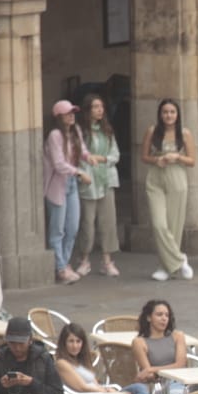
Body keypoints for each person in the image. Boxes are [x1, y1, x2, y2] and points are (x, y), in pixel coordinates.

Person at [142, 98, 196, 281]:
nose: (169, 115)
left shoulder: (185, 133)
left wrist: (177, 157)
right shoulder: (152, 131)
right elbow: (144, 156)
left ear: (177, 114)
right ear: (160, 114)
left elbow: (192, 161)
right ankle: (180, 260)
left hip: (177, 178)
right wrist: (157, 160)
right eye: (165, 112)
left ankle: (166, 267)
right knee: (159, 224)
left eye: (172, 112)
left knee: (174, 225)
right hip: (156, 178)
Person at [44, 99, 92, 285]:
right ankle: (61, 267)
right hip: (57, 185)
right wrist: (79, 172)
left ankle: (63, 263)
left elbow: (83, 152)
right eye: (67, 113)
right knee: (58, 229)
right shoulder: (55, 135)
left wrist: (91, 158)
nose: (72, 115)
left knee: (72, 227)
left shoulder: (76, 131)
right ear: (59, 116)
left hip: (71, 183)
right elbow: (58, 164)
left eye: (73, 112)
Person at [74, 92, 122, 278]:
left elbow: (115, 155)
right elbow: (79, 156)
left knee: (108, 222)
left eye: (101, 106)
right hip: (89, 180)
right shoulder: (81, 132)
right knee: (87, 223)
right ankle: (84, 259)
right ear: (88, 110)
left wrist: (102, 158)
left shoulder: (107, 131)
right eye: (95, 107)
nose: (99, 110)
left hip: (107, 180)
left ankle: (107, 260)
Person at [54, 323, 148, 394]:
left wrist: (108, 390)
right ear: (64, 343)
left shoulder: (81, 361)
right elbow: (82, 387)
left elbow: (95, 384)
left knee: (139, 388)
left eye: (78, 341)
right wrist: (109, 393)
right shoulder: (62, 363)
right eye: (71, 341)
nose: (75, 346)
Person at [132, 299, 189, 394]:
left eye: (167, 315)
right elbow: (148, 374)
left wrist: (153, 369)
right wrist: (151, 371)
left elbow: (181, 364)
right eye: (159, 315)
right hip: (161, 387)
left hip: (183, 381)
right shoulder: (139, 342)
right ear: (149, 317)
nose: (164, 318)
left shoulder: (177, 336)